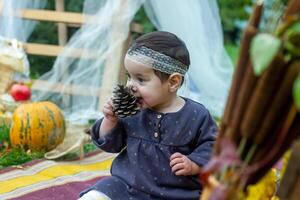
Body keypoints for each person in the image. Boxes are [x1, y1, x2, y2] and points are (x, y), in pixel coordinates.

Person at [79, 31, 217, 200]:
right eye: (129, 77)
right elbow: (110, 145)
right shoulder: (132, 109)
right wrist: (110, 120)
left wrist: (194, 163)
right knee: (101, 191)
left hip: (175, 193)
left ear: (173, 82)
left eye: (141, 79)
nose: (131, 86)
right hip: (128, 187)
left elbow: (214, 148)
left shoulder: (196, 115)